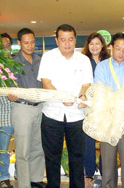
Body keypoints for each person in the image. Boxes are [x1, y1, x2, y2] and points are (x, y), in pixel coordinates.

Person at [38, 24, 93, 188]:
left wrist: (83, 95)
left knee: (77, 156)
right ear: (56, 40)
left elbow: (87, 84)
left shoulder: (83, 59)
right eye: (63, 40)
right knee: (52, 156)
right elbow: (45, 82)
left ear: (75, 40)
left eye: (70, 39)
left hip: (76, 115)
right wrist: (62, 97)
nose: (67, 43)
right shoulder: (48, 57)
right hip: (51, 114)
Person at [94, 32, 124, 188]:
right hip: (108, 119)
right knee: (108, 161)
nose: (121, 53)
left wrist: (117, 98)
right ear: (112, 47)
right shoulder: (102, 66)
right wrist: (120, 98)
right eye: (118, 48)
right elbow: (100, 90)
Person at [8, 28, 45, 188]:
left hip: (41, 108)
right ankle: (24, 184)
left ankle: (36, 180)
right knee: (23, 151)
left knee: (38, 147)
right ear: (19, 43)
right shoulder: (12, 62)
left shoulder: (40, 60)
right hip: (22, 109)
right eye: (26, 42)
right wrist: (10, 93)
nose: (30, 46)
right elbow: (9, 87)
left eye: (32, 42)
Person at [82, 32, 110, 188]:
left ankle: (105, 173)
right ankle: (89, 174)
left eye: (97, 43)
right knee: (89, 141)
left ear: (102, 45)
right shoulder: (83, 61)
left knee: (105, 140)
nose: (94, 47)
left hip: (106, 106)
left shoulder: (109, 61)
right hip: (89, 107)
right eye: (91, 43)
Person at [0, 33, 14, 188]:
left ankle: (21, 174)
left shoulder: (17, 64)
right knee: (3, 148)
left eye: (7, 45)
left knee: (22, 148)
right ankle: (4, 177)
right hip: (3, 114)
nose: (5, 48)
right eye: (2, 46)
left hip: (20, 113)